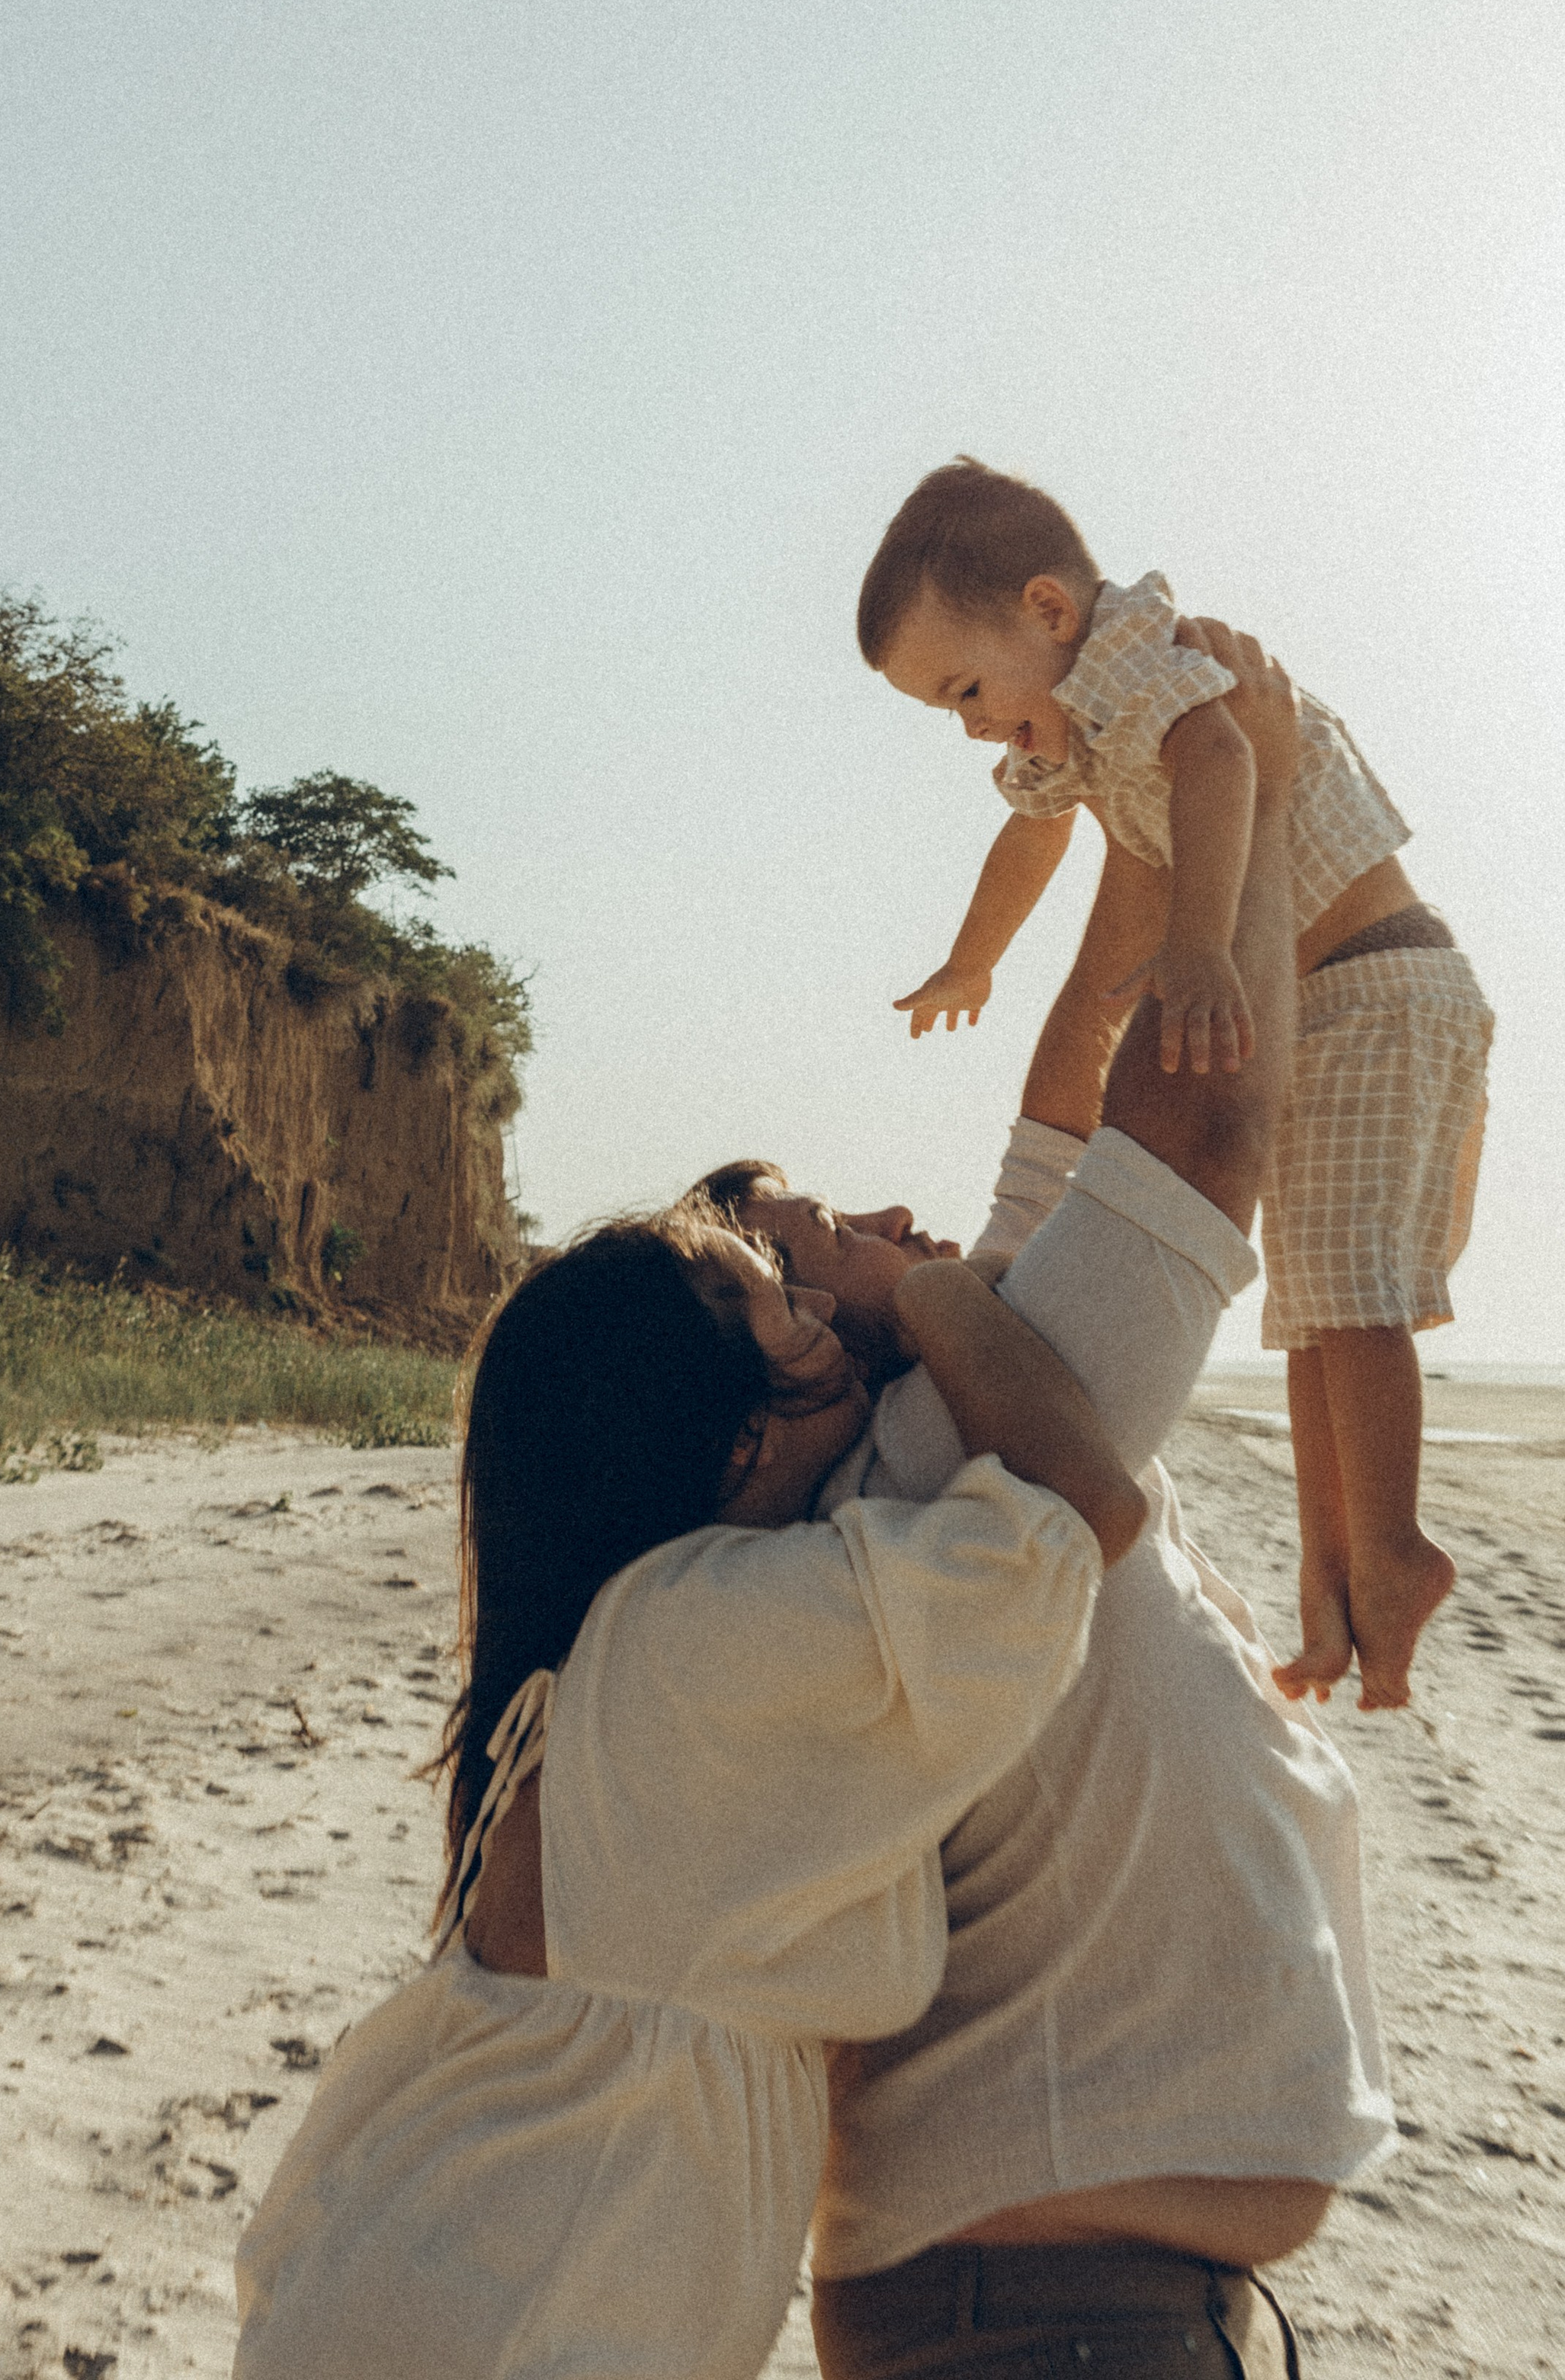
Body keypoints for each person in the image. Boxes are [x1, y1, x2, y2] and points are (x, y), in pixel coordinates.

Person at [700, 626, 1395, 2379]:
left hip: (1053, 2300)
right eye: (807, 1242)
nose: (869, 1214)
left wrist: (1136, 807)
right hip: (1044, 2320)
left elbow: (1077, 1067)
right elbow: (1203, 1119)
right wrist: (1252, 764)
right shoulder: (935, 1449)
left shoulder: (955, 1394)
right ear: (773, 1359)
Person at [230, 1201, 1146, 2380]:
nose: (819, 1307)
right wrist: (926, 1293)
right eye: (773, 1305)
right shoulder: (699, 1648)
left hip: (424, 2307)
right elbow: (1080, 1508)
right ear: (733, 1440)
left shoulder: (630, 1642)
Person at [854, 455, 1493, 1709]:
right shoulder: (1073, 730)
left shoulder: (1136, 649)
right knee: (1312, 1311)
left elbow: (1221, 762)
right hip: (1320, 1001)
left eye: (969, 688)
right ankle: (1336, 1588)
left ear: (1048, 610)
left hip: (1380, 982)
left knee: (1355, 1299)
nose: (975, 726)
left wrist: (1198, 942)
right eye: (949, 712)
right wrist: (968, 961)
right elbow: (1033, 834)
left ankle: (1395, 1544)